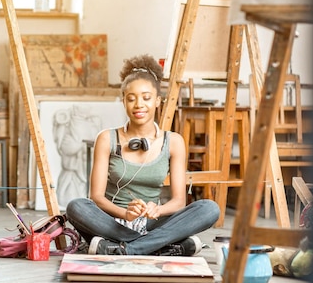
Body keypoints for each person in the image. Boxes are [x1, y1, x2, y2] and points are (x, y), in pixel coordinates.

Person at [65, 54, 220, 256]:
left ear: (157, 101)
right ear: (124, 102)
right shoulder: (106, 138)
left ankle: (126, 249)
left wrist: (158, 210)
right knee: (76, 207)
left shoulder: (173, 142)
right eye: (131, 98)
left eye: (146, 98)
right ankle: (161, 247)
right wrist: (125, 214)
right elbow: (96, 197)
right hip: (112, 223)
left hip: (153, 222)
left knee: (209, 208)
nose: (139, 104)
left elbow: (179, 201)